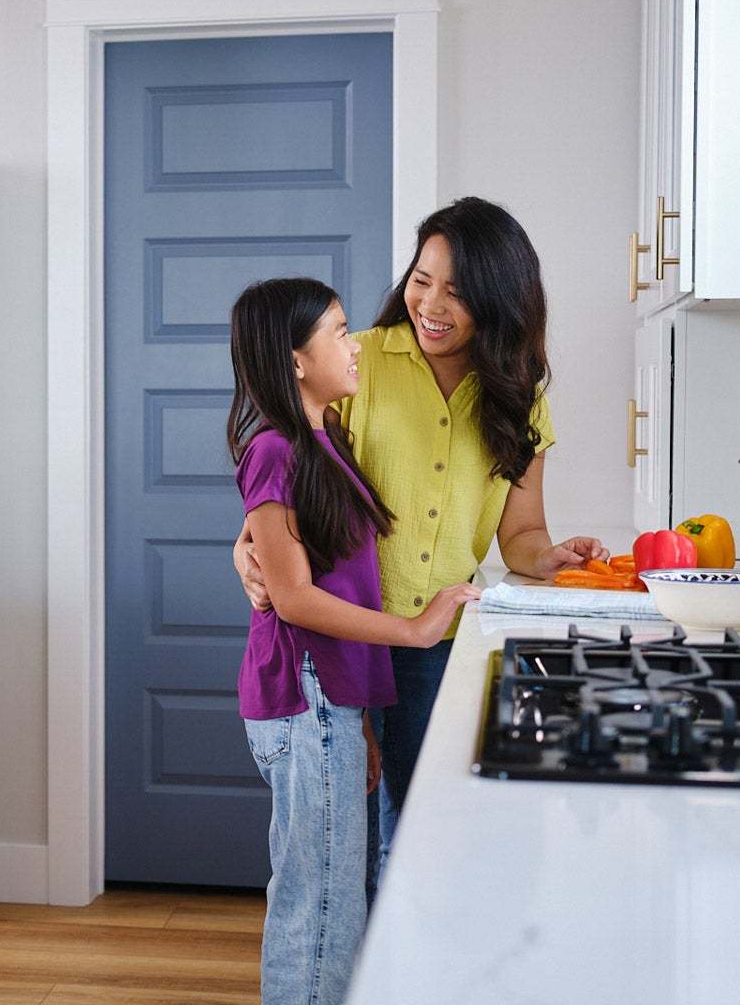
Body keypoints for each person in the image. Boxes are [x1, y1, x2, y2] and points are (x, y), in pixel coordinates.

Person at [236, 199, 607, 881]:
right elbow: (289, 476)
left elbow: (521, 533)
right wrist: (244, 551)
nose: (431, 303)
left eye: (458, 292)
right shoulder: (359, 362)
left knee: (418, 840)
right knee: (351, 848)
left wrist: (547, 558)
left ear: (498, 303)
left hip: (436, 646)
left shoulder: (520, 397)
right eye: (423, 278)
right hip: (344, 640)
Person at [227, 275, 481, 1005]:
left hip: (330, 706)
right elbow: (296, 597)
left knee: (338, 900)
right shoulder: (273, 450)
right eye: (338, 332)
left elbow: (337, 582)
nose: (354, 345)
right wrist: (415, 627)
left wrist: (362, 723)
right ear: (295, 359)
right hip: (304, 702)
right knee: (322, 909)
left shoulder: (323, 439)